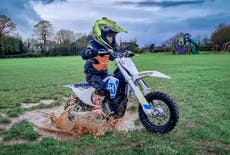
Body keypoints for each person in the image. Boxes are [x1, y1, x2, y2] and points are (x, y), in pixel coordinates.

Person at [80, 17, 127, 119]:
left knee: (118, 80)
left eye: (113, 37)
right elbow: (84, 53)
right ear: (101, 34)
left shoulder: (108, 48)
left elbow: (113, 55)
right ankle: (97, 110)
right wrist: (90, 52)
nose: (111, 39)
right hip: (92, 74)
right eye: (109, 36)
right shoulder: (93, 44)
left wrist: (124, 53)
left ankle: (114, 105)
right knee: (101, 87)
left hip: (104, 74)